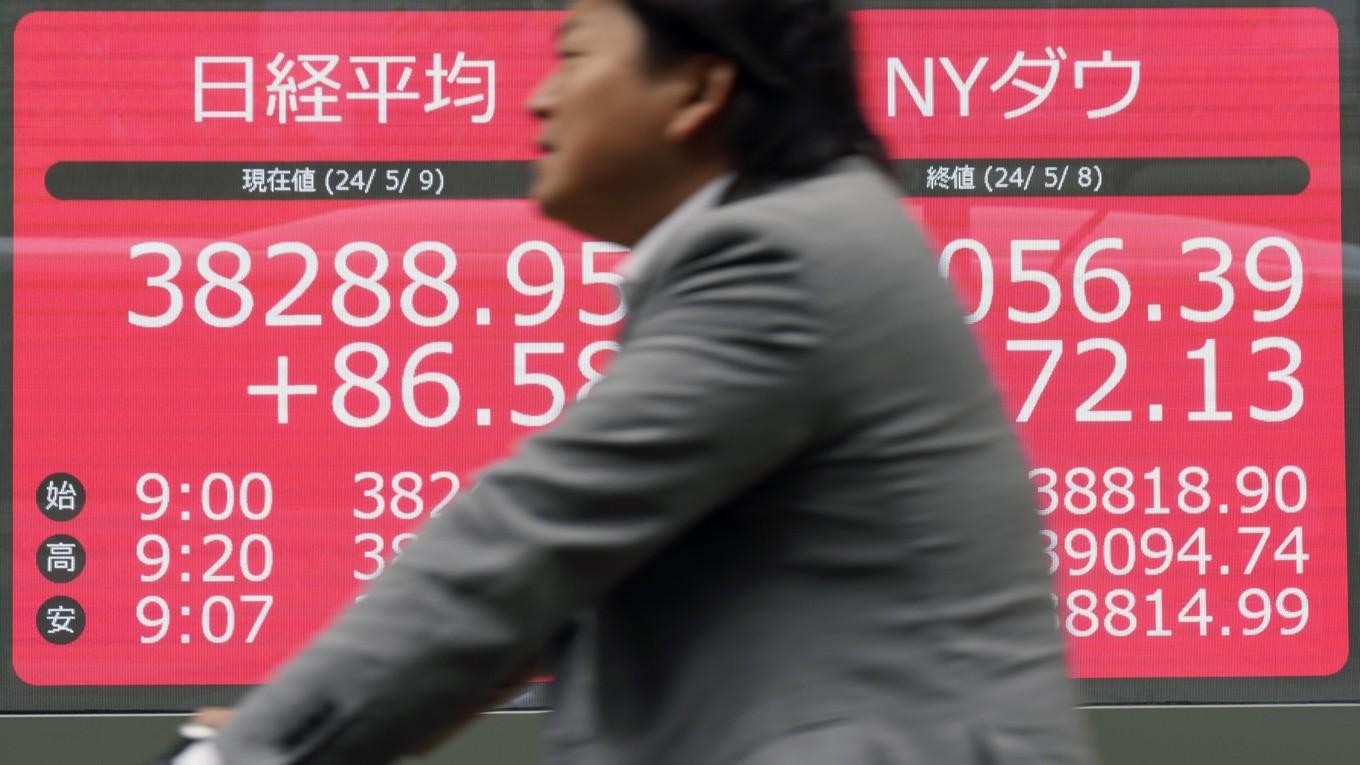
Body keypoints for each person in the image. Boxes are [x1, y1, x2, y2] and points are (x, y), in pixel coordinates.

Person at [166, 0, 1095, 762]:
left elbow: (522, 541)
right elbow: (534, 596)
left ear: (698, 86)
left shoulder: (784, 257)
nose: (540, 98)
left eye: (573, 53)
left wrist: (243, 755)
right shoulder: (810, 242)